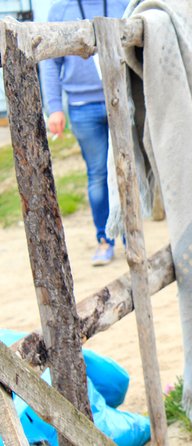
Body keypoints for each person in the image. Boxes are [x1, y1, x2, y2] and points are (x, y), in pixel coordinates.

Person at [41, 0, 129, 266]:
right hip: (82, 107)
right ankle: (105, 239)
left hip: (121, 101)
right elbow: (49, 63)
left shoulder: (121, 4)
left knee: (127, 171)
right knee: (98, 175)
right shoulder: (59, 10)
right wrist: (54, 107)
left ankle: (130, 238)